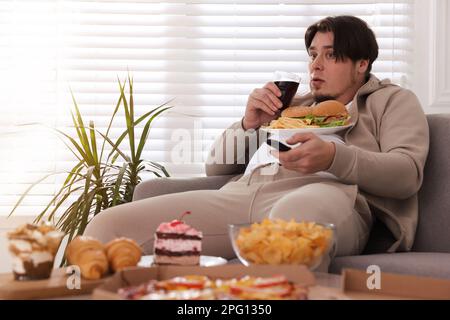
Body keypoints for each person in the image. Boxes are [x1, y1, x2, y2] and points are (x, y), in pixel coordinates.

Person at [84, 15, 429, 271]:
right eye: (312, 54)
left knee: (289, 235)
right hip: (243, 194)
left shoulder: (392, 100)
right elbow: (216, 167)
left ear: (362, 64)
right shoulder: (292, 106)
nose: (316, 65)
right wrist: (248, 124)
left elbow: (407, 174)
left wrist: (334, 157)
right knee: (106, 228)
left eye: (331, 54)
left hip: (329, 195)